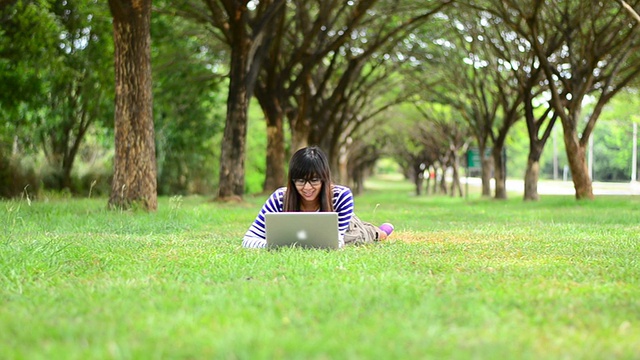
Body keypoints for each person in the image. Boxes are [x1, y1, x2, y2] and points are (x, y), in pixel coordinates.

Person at [242, 146, 394, 249]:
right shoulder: (279, 198)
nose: (307, 188)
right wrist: (275, 246)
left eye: (314, 180)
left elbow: (337, 242)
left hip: (346, 228)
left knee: (363, 236)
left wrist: (296, 246)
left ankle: (381, 231)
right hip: (310, 235)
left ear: (324, 179)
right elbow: (248, 239)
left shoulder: (341, 196)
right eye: (300, 181)